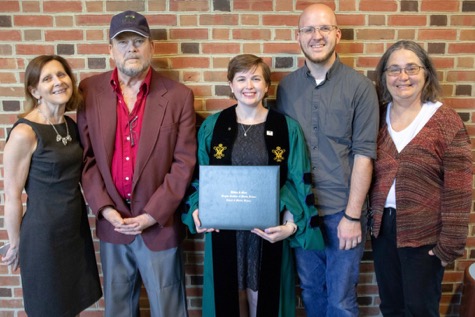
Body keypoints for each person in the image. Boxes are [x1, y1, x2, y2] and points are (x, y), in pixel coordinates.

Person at [182, 54, 324, 317]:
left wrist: (291, 226)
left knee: (265, 300)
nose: (249, 85)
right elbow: (200, 177)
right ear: (231, 85)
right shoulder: (213, 126)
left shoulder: (286, 128)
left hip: (268, 232)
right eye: (242, 79)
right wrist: (197, 209)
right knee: (230, 302)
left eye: (256, 78)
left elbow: (296, 181)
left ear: (267, 86)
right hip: (225, 230)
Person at [77, 11, 196, 317]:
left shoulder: (179, 96)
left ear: (151, 48)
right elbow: (86, 159)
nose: (131, 48)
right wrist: (105, 209)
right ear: (110, 50)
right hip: (112, 225)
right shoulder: (89, 91)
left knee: (168, 310)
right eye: (123, 42)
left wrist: (152, 215)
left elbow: (183, 164)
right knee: (118, 310)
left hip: (159, 226)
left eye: (138, 41)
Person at [276, 3, 380, 316]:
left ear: (337, 34)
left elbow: (364, 155)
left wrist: (351, 217)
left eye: (324, 28)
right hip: (303, 212)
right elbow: (283, 154)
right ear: (298, 37)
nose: (316, 36)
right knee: (310, 292)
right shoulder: (286, 87)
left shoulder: (361, 88)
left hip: (341, 213)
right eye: (308, 29)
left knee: (341, 300)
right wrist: (287, 208)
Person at [370, 40, 472, 316]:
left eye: (411, 68)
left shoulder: (445, 121)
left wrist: (448, 245)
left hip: (425, 234)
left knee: (420, 309)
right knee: (391, 306)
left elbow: (459, 189)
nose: (403, 77)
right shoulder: (376, 117)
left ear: (426, 73)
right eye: (394, 70)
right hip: (383, 229)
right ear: (384, 77)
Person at [1, 55, 102, 316]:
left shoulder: (69, 124)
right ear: (34, 91)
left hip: (73, 231)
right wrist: (15, 243)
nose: (58, 82)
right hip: (43, 236)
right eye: (47, 78)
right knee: (50, 308)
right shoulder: (25, 133)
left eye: (61, 75)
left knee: (72, 306)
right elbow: (12, 196)